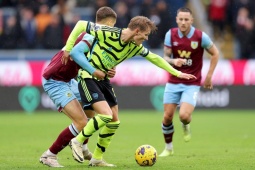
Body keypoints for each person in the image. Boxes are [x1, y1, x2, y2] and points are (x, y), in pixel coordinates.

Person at [67, 16, 197, 167]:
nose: (146, 38)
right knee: (106, 115)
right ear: (137, 31)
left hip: (104, 80)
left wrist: (177, 73)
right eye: (145, 34)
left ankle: (97, 158)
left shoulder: (135, 47)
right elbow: (81, 24)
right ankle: (77, 141)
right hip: (88, 77)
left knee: (114, 121)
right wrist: (68, 48)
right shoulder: (109, 32)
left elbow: (155, 58)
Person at [39, 7, 117, 168]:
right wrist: (95, 71)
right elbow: (75, 53)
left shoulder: (96, 37)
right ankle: (49, 155)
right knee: (81, 122)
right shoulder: (91, 35)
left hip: (69, 79)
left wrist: (108, 69)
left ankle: (83, 146)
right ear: (109, 23)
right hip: (55, 80)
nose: (112, 29)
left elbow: (94, 60)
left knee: (90, 110)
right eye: (112, 25)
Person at [158, 7, 219, 157]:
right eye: (181, 19)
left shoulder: (200, 36)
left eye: (186, 19)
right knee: (167, 117)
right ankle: (168, 148)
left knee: (184, 116)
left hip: (192, 82)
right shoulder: (170, 35)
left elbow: (215, 53)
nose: (183, 22)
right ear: (177, 19)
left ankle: (186, 125)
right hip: (173, 80)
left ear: (192, 20)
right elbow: (165, 57)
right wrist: (173, 60)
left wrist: (209, 76)